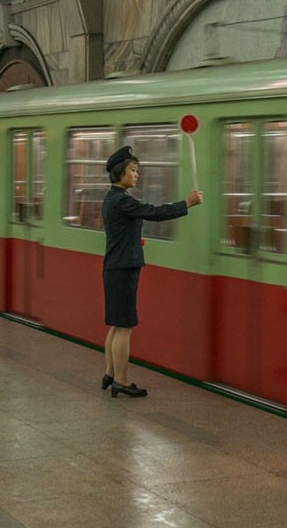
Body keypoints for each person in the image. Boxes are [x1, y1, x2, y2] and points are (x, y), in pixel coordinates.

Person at [100, 145, 202, 397]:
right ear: (120, 173)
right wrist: (186, 204)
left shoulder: (111, 198)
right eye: (133, 170)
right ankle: (121, 381)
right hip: (124, 267)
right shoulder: (123, 201)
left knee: (115, 325)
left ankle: (110, 374)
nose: (137, 175)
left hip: (115, 266)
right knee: (124, 326)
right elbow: (154, 213)